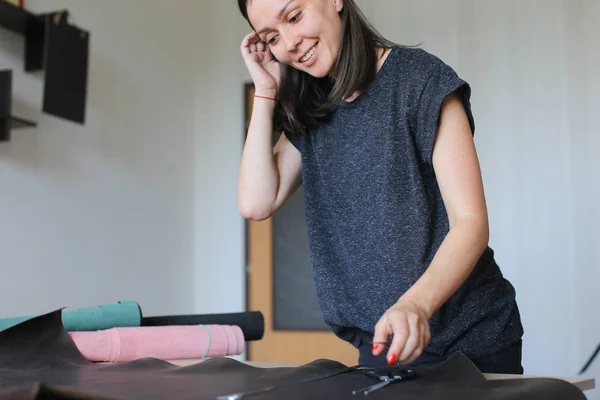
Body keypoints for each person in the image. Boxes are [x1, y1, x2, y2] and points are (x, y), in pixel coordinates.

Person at [236, 0, 524, 374]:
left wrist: (415, 306)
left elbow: (470, 223)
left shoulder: (419, 80)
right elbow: (256, 203)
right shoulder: (313, 107)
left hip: (469, 341)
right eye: (272, 36)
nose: (289, 42)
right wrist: (265, 90)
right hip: (382, 344)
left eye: (294, 16)